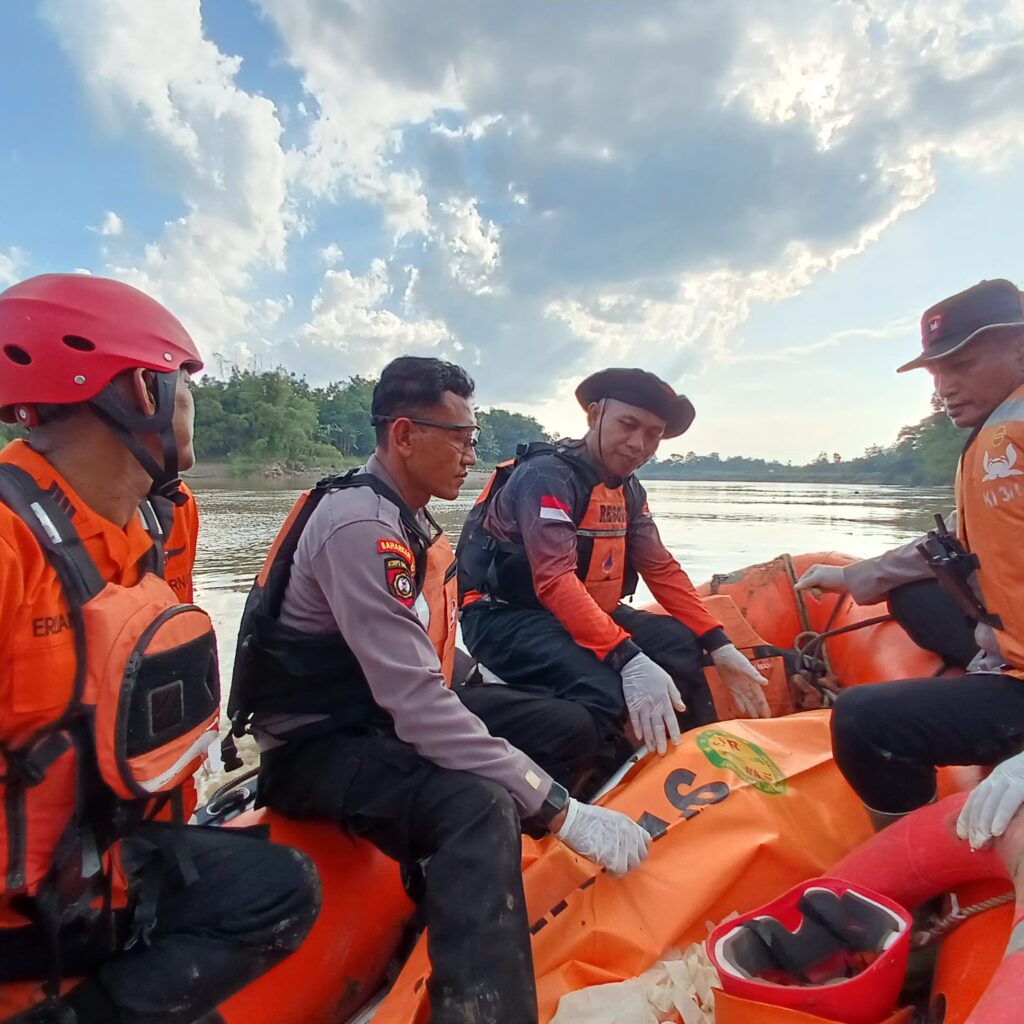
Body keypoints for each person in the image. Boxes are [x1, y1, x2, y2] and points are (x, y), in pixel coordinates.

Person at [227, 356, 652, 1024]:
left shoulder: (408, 517)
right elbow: (420, 708)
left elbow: (435, 656)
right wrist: (561, 808)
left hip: (377, 714)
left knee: (567, 726)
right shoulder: (362, 529)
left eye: (474, 439)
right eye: (457, 438)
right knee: (479, 804)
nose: (469, 455)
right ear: (403, 435)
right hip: (320, 744)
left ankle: (481, 886)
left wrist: (493, 704)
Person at [0, 274, 320, 1024]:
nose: (191, 411)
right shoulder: (11, 540)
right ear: (142, 392)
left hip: (114, 864)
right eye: (185, 389)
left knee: (283, 886)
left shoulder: (162, 523)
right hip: (23, 912)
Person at [457, 367, 771, 780]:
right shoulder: (546, 475)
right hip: (506, 617)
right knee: (605, 689)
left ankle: (691, 756)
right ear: (594, 415)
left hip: (582, 611)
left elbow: (661, 568)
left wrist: (719, 643)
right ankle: (588, 789)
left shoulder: (629, 488)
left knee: (679, 643)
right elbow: (553, 579)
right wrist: (627, 658)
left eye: (654, 434)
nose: (639, 444)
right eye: (628, 424)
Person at [795, 278, 1024, 843]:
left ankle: (919, 862)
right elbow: (953, 545)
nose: (944, 388)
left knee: (862, 720)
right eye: (936, 373)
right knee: (912, 594)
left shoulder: (1009, 440)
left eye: (962, 365)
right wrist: (851, 577)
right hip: (1008, 646)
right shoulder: (998, 432)